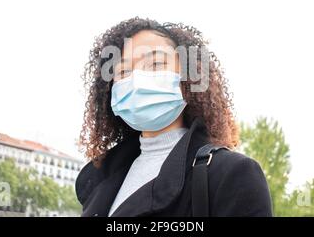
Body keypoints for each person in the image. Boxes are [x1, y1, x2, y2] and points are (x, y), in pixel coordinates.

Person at [76, 17, 272, 217]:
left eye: (155, 64)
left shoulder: (230, 174)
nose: (136, 80)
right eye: (123, 71)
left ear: (189, 76)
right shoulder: (101, 177)